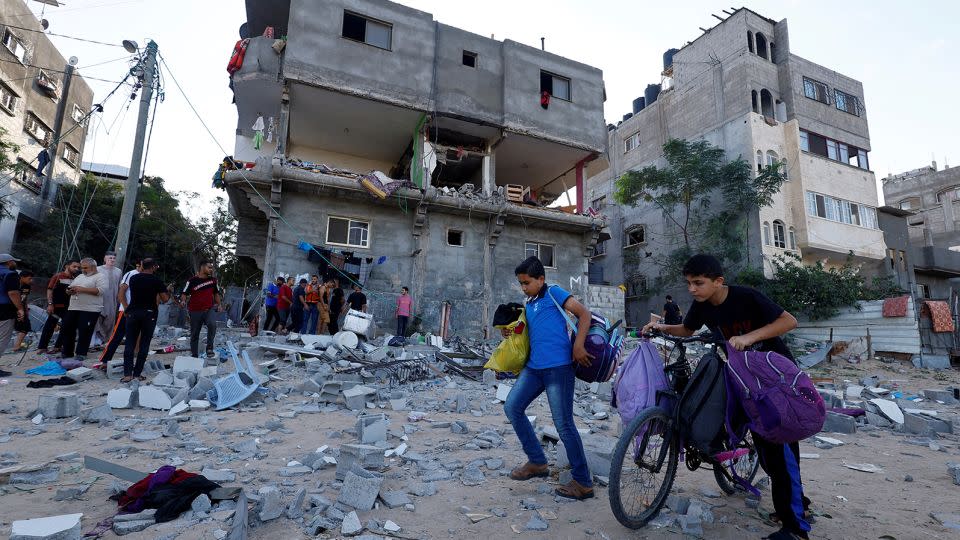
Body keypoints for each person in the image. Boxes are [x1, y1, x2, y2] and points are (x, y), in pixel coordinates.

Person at [642, 254, 809, 540]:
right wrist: (660, 328)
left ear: (718, 282)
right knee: (766, 452)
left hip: (774, 381)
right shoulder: (703, 306)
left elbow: (788, 321)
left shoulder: (747, 297)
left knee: (781, 453)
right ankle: (794, 504)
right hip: (746, 381)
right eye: (689, 283)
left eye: (699, 283)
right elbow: (687, 329)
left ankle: (796, 528)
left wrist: (750, 337)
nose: (692, 289)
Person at [503, 256, 596, 500]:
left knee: (563, 424)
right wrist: (509, 330)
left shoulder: (554, 292)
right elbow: (528, 331)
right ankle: (537, 462)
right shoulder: (530, 302)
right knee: (512, 407)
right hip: (534, 369)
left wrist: (578, 345)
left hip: (558, 369)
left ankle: (583, 482)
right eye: (521, 284)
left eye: (527, 282)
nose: (523, 287)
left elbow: (584, 315)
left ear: (541, 279)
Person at [122, 258, 170, 382]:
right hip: (149, 314)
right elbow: (165, 299)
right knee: (144, 344)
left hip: (133, 312)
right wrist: (166, 290)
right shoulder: (156, 281)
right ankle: (137, 374)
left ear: (142, 266)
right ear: (154, 267)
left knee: (130, 343)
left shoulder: (133, 278)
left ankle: (127, 374)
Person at [59, 258, 107, 362]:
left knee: (85, 330)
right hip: (74, 307)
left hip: (90, 309)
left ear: (93, 267)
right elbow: (70, 287)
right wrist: (69, 291)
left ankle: (81, 353)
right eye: (82, 268)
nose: (83, 270)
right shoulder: (80, 276)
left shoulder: (101, 276)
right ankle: (67, 352)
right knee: (67, 328)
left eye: (85, 268)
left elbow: (101, 291)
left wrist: (82, 289)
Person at [98, 259, 141, 366]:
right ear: (138, 265)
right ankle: (105, 360)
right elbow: (121, 291)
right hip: (126, 310)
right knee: (117, 335)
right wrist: (126, 308)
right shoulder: (131, 274)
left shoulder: (146, 276)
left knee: (134, 336)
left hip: (138, 311)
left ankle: (131, 360)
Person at [180, 260, 221, 358]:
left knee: (212, 325)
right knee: (195, 333)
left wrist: (219, 304)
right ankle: (194, 355)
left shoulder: (213, 281)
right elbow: (184, 293)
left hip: (208, 309)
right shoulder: (192, 281)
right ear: (202, 268)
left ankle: (209, 348)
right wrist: (183, 301)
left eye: (211, 268)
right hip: (195, 310)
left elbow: (216, 293)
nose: (211, 269)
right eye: (209, 267)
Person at [37, 260, 79, 354]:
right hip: (56, 306)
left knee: (65, 327)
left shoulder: (75, 279)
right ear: (67, 266)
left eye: (78, 267)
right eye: (74, 266)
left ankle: (58, 346)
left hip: (69, 307)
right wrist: (50, 304)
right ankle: (42, 347)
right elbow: (50, 290)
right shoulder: (58, 276)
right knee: (49, 326)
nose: (76, 269)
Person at [0, 254, 26, 374]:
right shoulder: (11, 274)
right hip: (4, 309)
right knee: (2, 337)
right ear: (9, 262)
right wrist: (20, 308)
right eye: (14, 261)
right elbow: (13, 293)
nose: (15, 263)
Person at [94, 252, 123, 348]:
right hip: (100, 298)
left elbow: (120, 286)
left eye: (114, 258)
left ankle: (106, 340)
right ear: (105, 259)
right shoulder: (98, 269)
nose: (112, 260)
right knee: (98, 319)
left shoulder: (118, 271)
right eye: (110, 258)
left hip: (112, 299)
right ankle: (97, 341)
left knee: (110, 320)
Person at [10, 269, 34, 352]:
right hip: (12, 309)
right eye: (29, 278)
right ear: (22, 277)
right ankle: (16, 346)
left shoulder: (27, 286)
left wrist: (26, 309)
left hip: (22, 309)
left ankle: (16, 347)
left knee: (26, 327)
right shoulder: (14, 285)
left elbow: (25, 298)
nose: (31, 280)